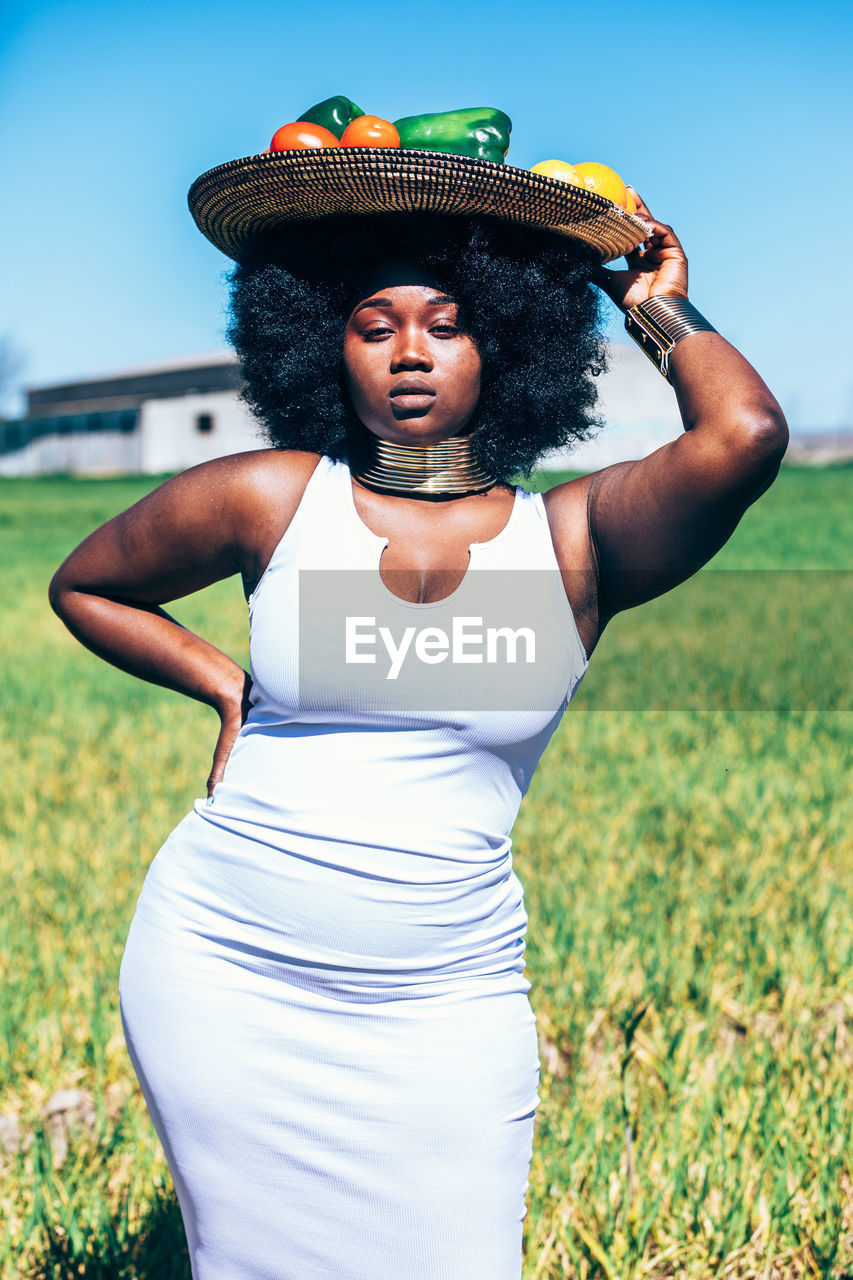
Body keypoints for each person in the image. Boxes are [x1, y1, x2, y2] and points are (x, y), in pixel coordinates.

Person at [48, 140, 788, 1280]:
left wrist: (660, 308)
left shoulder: (575, 539)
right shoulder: (274, 498)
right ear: (319, 343)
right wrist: (223, 681)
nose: (407, 352)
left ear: (508, 340)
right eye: (372, 322)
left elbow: (741, 436)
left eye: (447, 321)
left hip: (446, 997)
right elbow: (87, 584)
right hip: (225, 963)